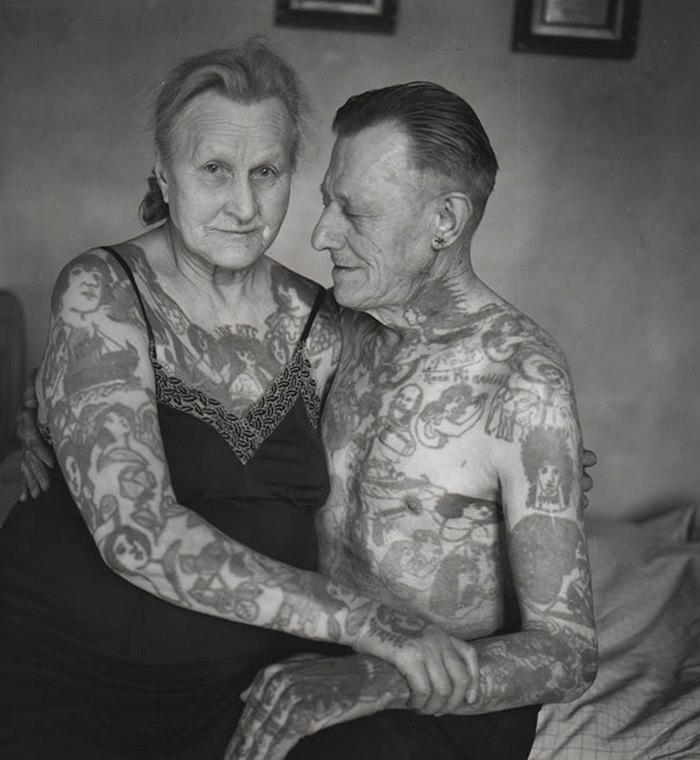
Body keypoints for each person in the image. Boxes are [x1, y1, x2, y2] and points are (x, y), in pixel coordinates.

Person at [0, 43, 483, 759]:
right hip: (65, 673)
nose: (245, 206)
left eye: (266, 172)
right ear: (164, 173)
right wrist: (371, 623)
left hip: (247, 689)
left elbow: (439, 423)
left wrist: (526, 455)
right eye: (215, 170)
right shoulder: (100, 288)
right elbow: (137, 534)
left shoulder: (330, 323)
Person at [220, 82, 598, 760]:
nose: (321, 234)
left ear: (444, 221)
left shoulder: (522, 380)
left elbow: (568, 654)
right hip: (320, 648)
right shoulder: (337, 326)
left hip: (442, 703)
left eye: (355, 212)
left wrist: (378, 680)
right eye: (327, 202)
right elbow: (179, 345)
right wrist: (52, 403)